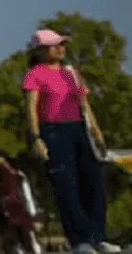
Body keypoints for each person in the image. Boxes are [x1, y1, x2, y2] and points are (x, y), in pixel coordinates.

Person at [22, 29, 115, 254]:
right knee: (67, 185)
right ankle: (79, 241)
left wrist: (96, 132)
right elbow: (31, 109)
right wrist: (36, 138)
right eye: (53, 45)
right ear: (40, 51)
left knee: (93, 182)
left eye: (61, 44)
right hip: (53, 131)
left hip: (79, 129)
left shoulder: (72, 73)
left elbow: (84, 104)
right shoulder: (36, 74)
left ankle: (98, 237)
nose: (60, 49)